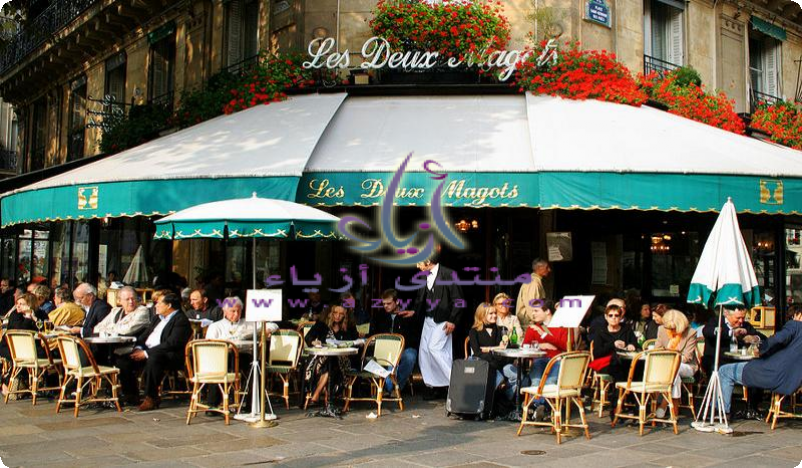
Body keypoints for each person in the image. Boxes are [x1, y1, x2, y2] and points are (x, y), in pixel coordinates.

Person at [719, 305, 802, 418]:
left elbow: (778, 339)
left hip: (773, 374)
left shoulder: (796, 325)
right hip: (792, 380)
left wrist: (761, 348)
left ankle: (722, 413)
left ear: (798, 315)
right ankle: (750, 408)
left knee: (724, 371)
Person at [115, 293, 193, 410]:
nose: (155, 306)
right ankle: (131, 395)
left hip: (168, 355)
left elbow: (171, 343)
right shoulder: (157, 318)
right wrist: (138, 348)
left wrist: (146, 353)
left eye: (159, 303)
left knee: (154, 359)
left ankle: (151, 397)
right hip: (149, 350)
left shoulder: (180, 320)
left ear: (169, 305)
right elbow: (144, 336)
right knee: (123, 360)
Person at [408, 253, 465, 399]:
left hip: (444, 320)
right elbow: (420, 298)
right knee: (424, 353)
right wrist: (414, 311)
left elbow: (459, 300)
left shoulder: (448, 274)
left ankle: (456, 383)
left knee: (435, 349)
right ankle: (433, 386)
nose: (417, 266)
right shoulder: (423, 276)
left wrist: (453, 320)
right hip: (428, 319)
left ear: (428, 261)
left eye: (419, 262)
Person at [369, 289, 422, 394]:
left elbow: (414, 338)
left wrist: (400, 346)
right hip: (385, 350)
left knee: (410, 356)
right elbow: (373, 334)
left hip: (405, 348)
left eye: (388, 303)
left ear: (397, 302)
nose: (385, 306)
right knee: (388, 360)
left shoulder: (407, 315)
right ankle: (392, 389)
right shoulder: (379, 316)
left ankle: (394, 388)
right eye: (384, 304)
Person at [304, 305, 359, 405]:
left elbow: (354, 341)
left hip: (342, 360)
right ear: (330, 313)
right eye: (335, 313)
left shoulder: (349, 327)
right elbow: (308, 337)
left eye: (341, 314)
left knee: (332, 363)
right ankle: (327, 399)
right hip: (322, 359)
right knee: (329, 363)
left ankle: (317, 394)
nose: (337, 316)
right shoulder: (322, 324)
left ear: (345, 316)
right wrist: (314, 342)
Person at [654, 309, 698, 418]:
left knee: (675, 368)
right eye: (669, 328)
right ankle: (674, 411)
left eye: (673, 328)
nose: (671, 331)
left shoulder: (691, 332)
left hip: (686, 365)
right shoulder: (662, 329)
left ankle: (663, 404)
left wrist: (671, 360)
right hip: (665, 365)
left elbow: (687, 357)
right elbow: (657, 349)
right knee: (675, 374)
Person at [0, 293, 47, 395]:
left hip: (31, 347)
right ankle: (6, 382)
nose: (18, 306)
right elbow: (21, 331)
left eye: (21, 304)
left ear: (30, 305)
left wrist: (34, 318)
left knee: (49, 354)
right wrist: (27, 318)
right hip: (10, 347)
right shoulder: (15, 315)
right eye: (17, 303)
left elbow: (45, 327)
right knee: (25, 358)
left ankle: (43, 385)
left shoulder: (40, 313)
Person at [468, 302, 514, 400]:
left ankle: (504, 401)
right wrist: (497, 349)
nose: (494, 315)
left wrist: (488, 349)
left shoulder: (502, 330)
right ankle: (486, 402)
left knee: (519, 376)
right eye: (491, 313)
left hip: (500, 363)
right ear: (482, 315)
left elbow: (507, 350)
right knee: (495, 378)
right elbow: (477, 353)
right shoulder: (474, 331)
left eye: (495, 313)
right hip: (484, 365)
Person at [590, 304, 638, 385]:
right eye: (610, 315)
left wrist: (632, 345)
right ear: (606, 317)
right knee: (617, 368)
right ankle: (619, 391)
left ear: (621, 317)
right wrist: (612, 344)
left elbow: (635, 343)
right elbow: (597, 353)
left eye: (616, 315)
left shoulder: (627, 329)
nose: (613, 318)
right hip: (606, 363)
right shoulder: (600, 331)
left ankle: (631, 391)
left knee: (637, 367)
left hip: (626, 361)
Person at [516, 258, 551, 328]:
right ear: (539, 268)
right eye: (547, 267)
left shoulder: (536, 281)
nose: (549, 270)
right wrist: (538, 323)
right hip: (530, 323)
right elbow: (531, 305)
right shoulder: (533, 283)